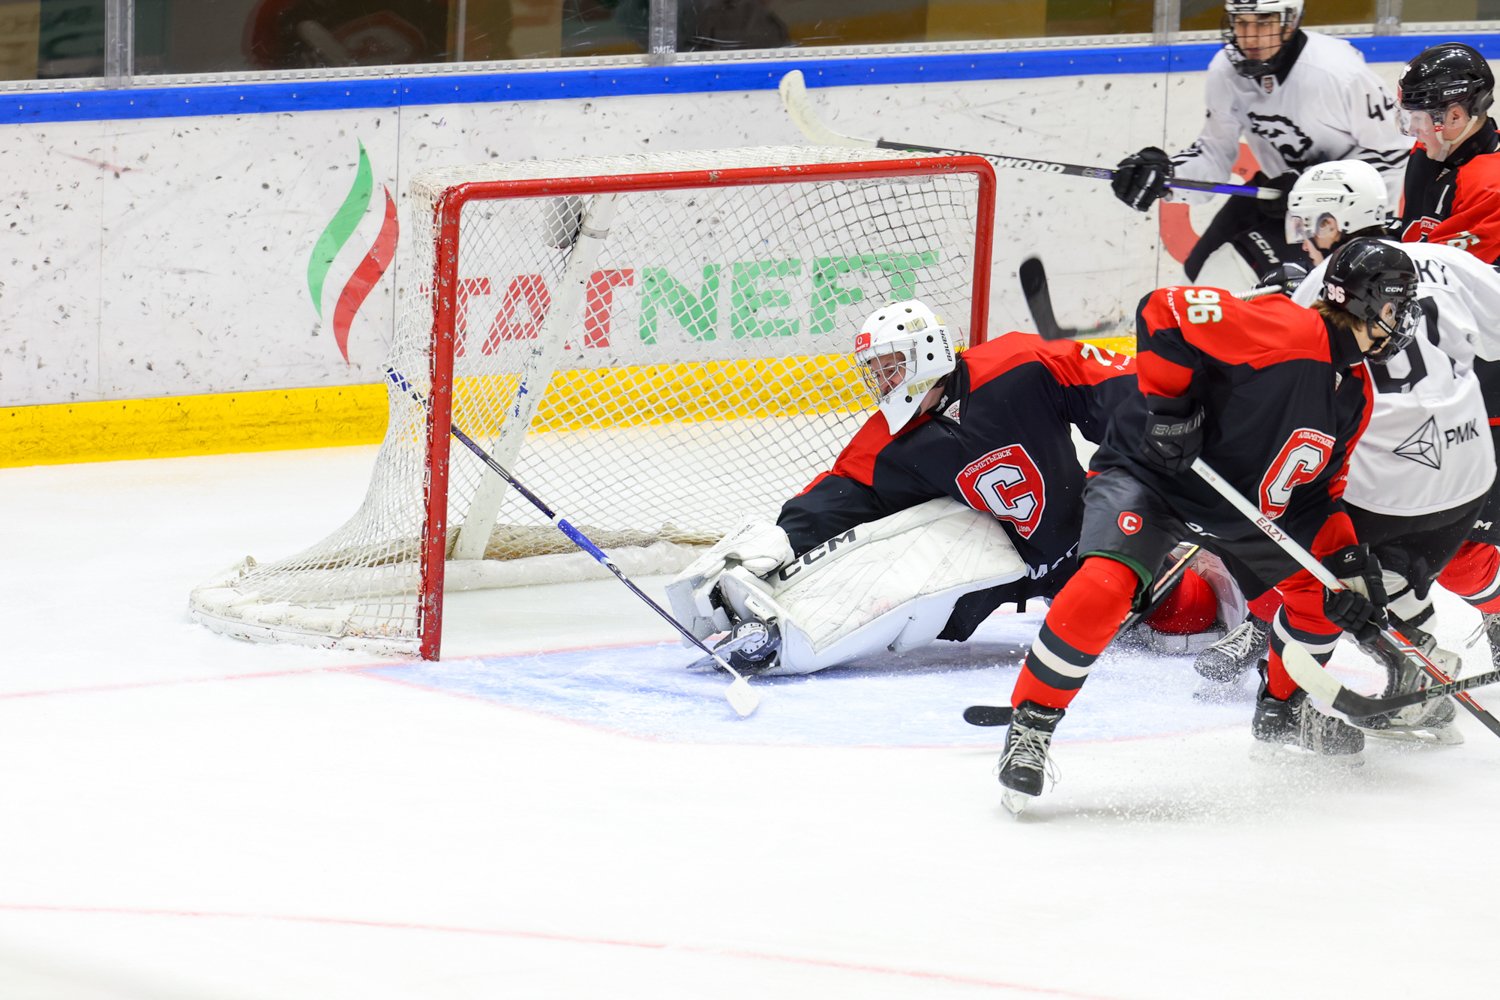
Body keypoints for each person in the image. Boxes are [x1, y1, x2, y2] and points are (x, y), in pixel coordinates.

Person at [995, 238, 1421, 813]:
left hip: (1241, 508)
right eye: (1397, 305)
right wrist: (1170, 410)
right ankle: (1031, 726)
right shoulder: (1285, 328)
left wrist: (1345, 562)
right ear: (1367, 302)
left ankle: (1283, 710)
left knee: (1325, 597)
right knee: (1105, 584)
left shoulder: (1357, 394)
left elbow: (1318, 492)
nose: (1403, 319)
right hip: (1154, 476)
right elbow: (1162, 309)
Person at [665, 299, 1228, 677]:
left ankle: (1222, 576)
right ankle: (777, 628)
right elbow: (839, 497)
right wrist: (781, 542)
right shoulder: (892, 440)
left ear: (926, 352)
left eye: (889, 366)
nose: (881, 381)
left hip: (1081, 538)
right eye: (874, 370)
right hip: (995, 564)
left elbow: (1111, 388)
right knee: (894, 588)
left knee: (1191, 613)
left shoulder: (1018, 367)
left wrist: (1166, 424)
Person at [1195, 160, 1500, 740]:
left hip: (1380, 490)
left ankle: (1282, 707)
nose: (1305, 239)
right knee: (1399, 575)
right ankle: (1416, 663)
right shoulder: (1453, 261)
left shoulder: (1320, 287)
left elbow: (1292, 394)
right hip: (1467, 482)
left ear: (1340, 223)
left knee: (1319, 581)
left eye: (1313, 224)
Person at [1111, 0, 1408, 288]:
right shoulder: (1225, 71)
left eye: (1263, 23)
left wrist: (1313, 186)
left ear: (1290, 21)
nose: (1250, 37)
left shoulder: (1338, 72)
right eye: (1241, 22)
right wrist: (1167, 177)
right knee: (1191, 283)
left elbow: (1397, 151)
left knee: (1227, 278)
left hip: (1342, 214)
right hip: (1276, 193)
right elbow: (1214, 155)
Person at [1395, 42, 1500, 259]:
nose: (1413, 129)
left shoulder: (1491, 187)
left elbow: (1448, 270)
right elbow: (1409, 231)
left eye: (1418, 118)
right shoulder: (1428, 148)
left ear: (1454, 117)